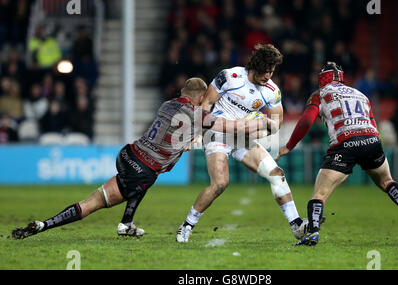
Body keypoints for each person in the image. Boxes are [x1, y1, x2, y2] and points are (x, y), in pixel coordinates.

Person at [11, 78, 272, 239]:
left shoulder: (166, 105)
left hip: (126, 155)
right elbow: (234, 128)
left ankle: (44, 224)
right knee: (148, 175)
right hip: (142, 168)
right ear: (202, 98)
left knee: (93, 202)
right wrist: (262, 124)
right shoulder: (199, 115)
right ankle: (125, 224)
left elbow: (177, 129)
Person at [276, 62, 398, 246]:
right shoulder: (361, 94)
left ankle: (313, 233)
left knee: (319, 194)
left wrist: (289, 146)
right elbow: (373, 124)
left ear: (322, 79)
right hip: (372, 141)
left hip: (345, 144)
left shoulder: (320, 94)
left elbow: (306, 121)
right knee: (387, 181)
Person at [176, 44, 311, 243]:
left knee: (277, 174)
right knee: (220, 184)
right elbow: (206, 105)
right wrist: (197, 133)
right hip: (217, 133)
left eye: (272, 71)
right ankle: (187, 225)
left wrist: (261, 129)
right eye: (265, 71)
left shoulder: (272, 91)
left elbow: (276, 124)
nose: (268, 76)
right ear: (255, 66)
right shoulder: (230, 77)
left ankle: (296, 225)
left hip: (242, 138)